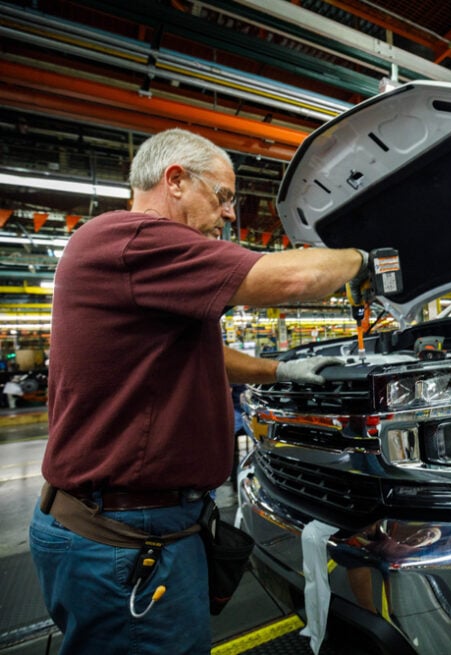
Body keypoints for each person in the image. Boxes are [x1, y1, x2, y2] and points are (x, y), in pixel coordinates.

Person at [28, 128, 365, 654]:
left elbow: (200, 354)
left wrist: (276, 372)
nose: (229, 214)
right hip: (125, 537)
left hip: (142, 526)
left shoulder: (143, 265)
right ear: (177, 180)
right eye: (224, 195)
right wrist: (366, 255)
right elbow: (294, 280)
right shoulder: (132, 239)